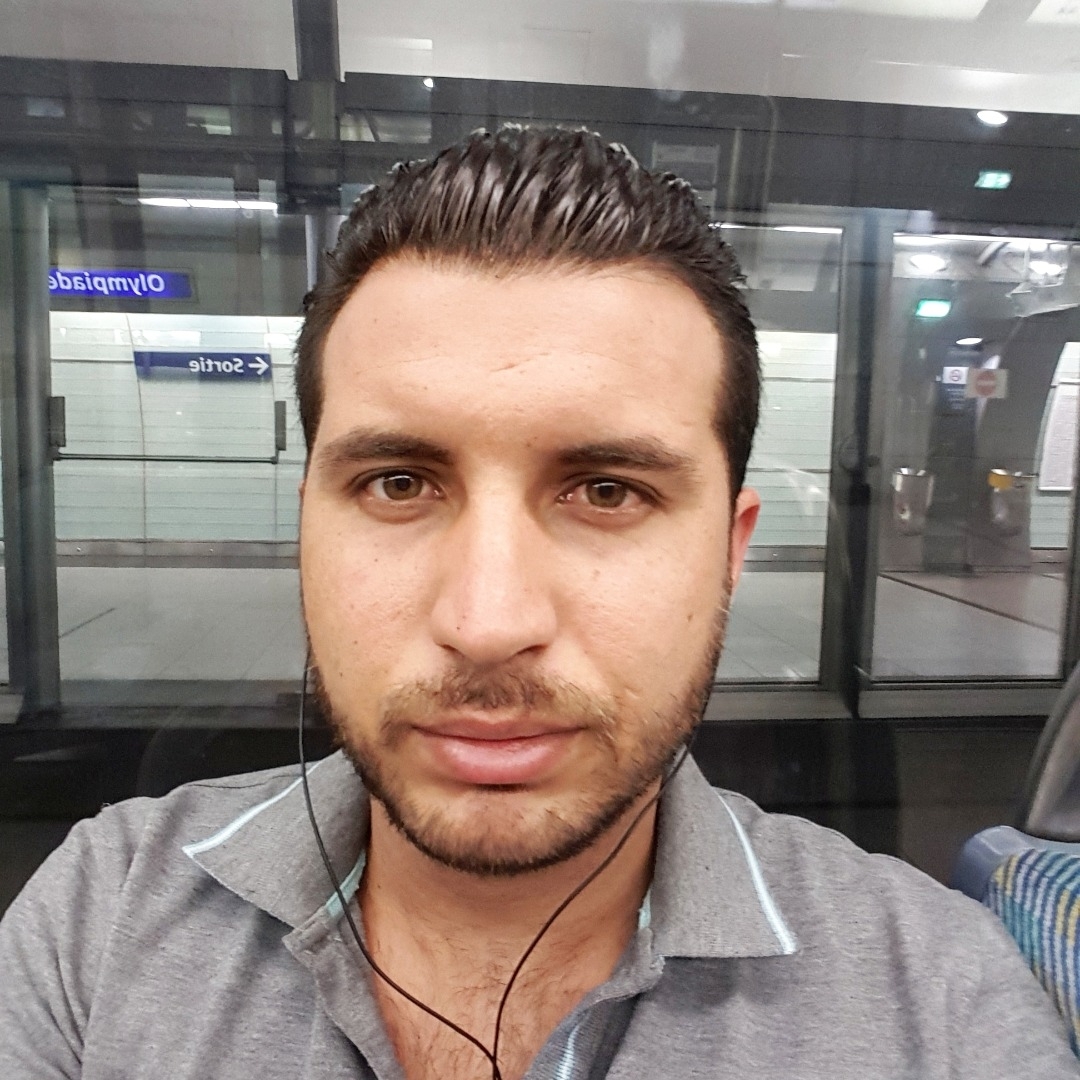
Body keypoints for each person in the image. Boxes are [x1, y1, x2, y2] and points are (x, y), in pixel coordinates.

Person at [0, 126, 1076, 1080]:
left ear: (730, 551)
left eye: (607, 491)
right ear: (305, 528)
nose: (488, 622)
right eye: (398, 484)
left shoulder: (939, 1003)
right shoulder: (100, 922)